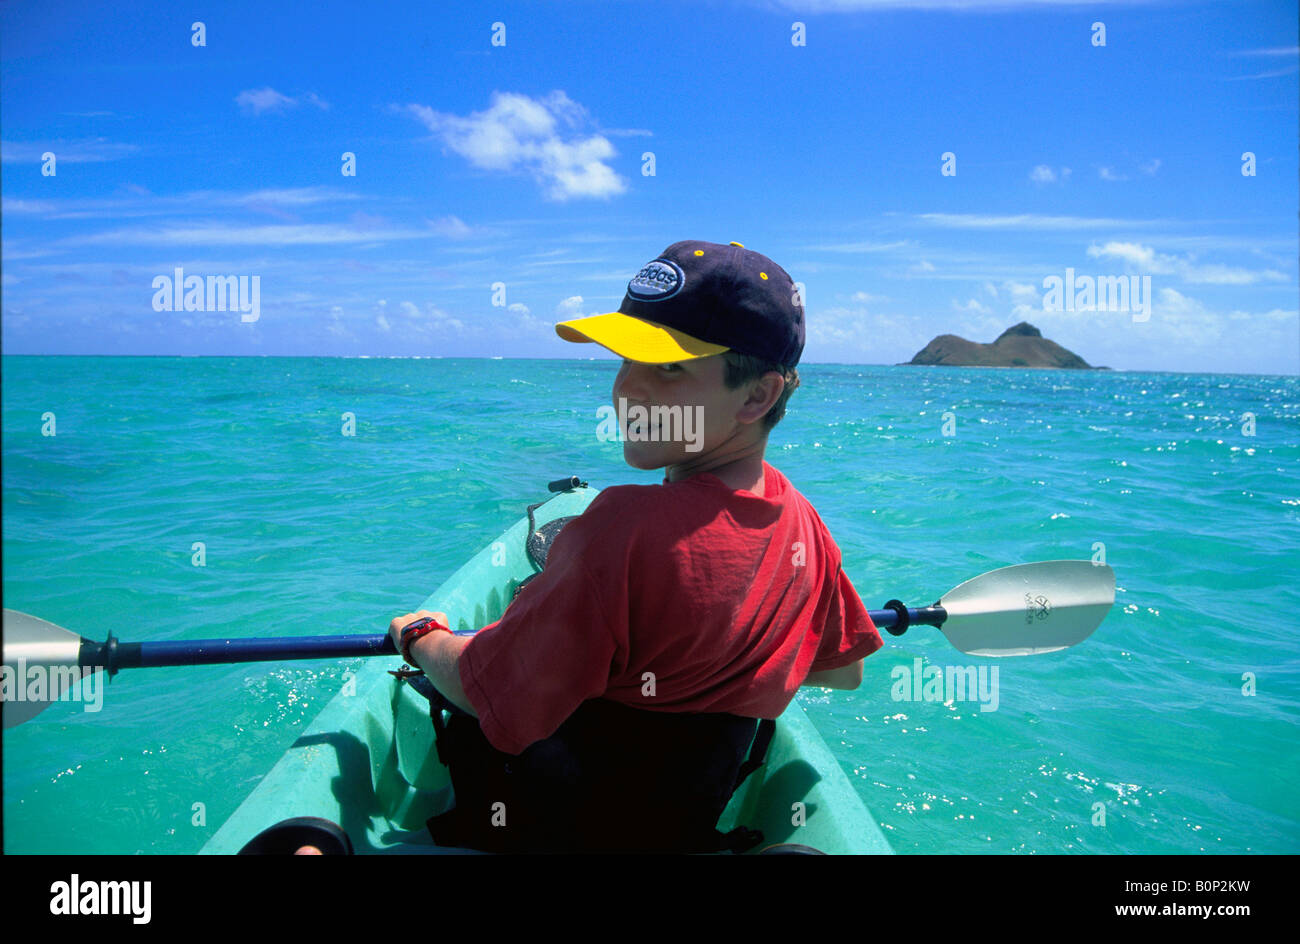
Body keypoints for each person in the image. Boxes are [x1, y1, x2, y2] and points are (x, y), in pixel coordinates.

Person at [389, 239, 884, 853]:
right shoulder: (804, 524)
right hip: (682, 827)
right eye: (624, 359)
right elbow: (841, 670)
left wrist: (423, 636)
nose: (628, 391)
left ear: (758, 396)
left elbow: (487, 690)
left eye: (668, 369)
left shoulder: (620, 527)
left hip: (543, 828)